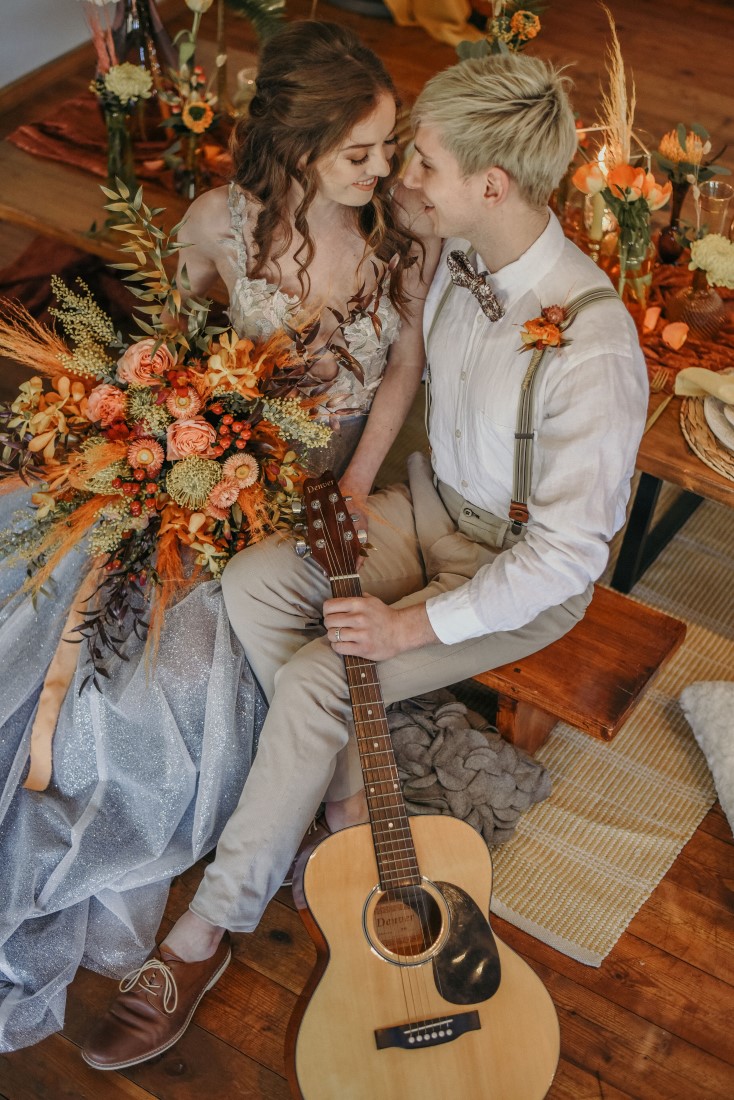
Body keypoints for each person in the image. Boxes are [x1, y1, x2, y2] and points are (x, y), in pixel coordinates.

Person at [82, 50, 648, 1072]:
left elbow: (563, 556)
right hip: (429, 504)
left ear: (490, 187)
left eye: (418, 163)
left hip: (518, 571)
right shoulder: (445, 249)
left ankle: (200, 933)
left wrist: (406, 625)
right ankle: (344, 796)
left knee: (312, 674)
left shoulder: (594, 352)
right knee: (253, 580)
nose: (398, 179)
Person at [0, 21, 430, 1053]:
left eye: (385, 147)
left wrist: (360, 480)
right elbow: (163, 351)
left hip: (306, 501)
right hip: (190, 476)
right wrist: (159, 449)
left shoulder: (399, 241)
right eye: (358, 153)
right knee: (77, 638)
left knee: (176, 674)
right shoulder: (218, 224)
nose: (381, 170)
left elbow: (401, 370)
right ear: (293, 148)